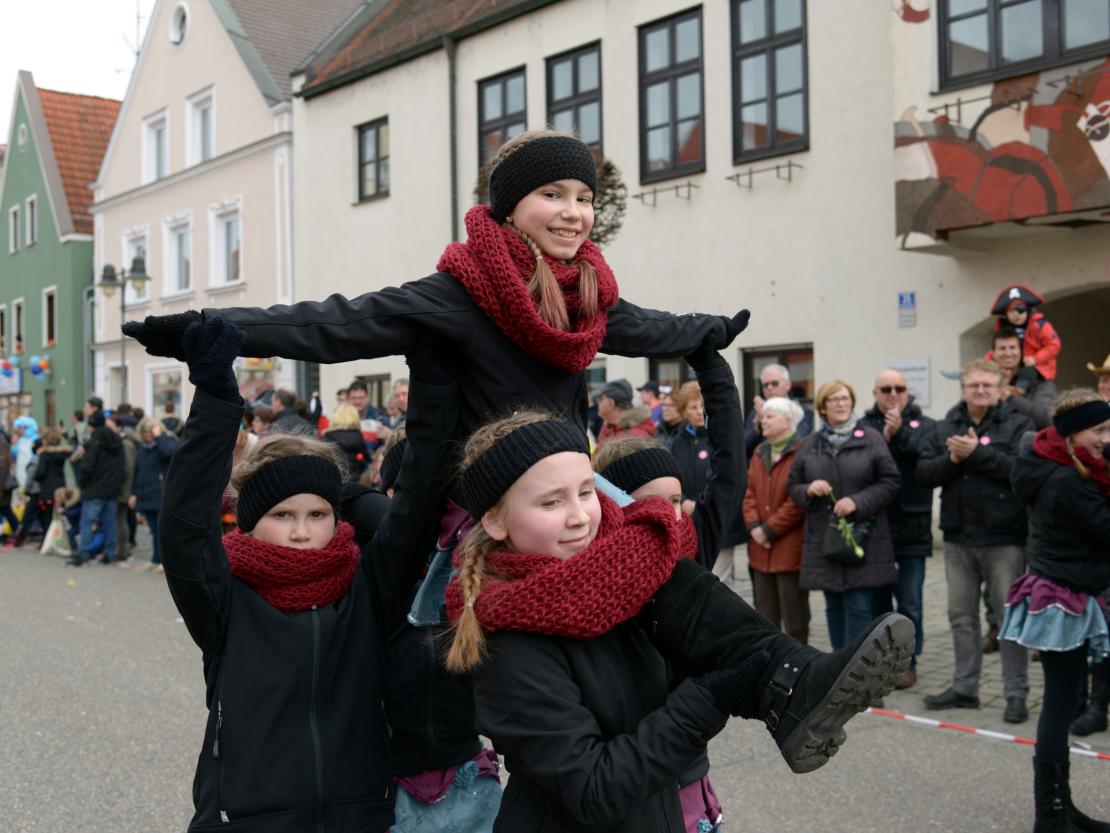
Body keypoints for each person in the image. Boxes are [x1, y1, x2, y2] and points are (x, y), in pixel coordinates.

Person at [123, 130, 750, 462]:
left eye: (583, 198)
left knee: (660, 541)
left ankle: (787, 673)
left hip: (565, 489)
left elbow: (652, 329)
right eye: (553, 195)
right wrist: (207, 325)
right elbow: (331, 325)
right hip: (476, 505)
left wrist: (710, 329)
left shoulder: (587, 297)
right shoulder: (456, 295)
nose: (574, 213)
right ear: (509, 209)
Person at [442, 408, 914, 831]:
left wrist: (734, 674)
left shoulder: (612, 586)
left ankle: (793, 684)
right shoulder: (507, 642)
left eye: (586, 492)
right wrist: (707, 699)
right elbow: (592, 791)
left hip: (660, 816)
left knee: (666, 566)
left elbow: (651, 694)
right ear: (496, 522)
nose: (580, 518)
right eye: (551, 502)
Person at [155, 313, 459, 833]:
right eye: (281, 516)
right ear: (249, 524)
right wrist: (215, 396)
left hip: (357, 814)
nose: (301, 532)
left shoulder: (366, 585)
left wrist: (431, 386)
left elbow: (413, 510)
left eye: (317, 515)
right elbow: (183, 525)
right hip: (247, 816)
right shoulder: (225, 597)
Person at [1001, 389, 1110, 832]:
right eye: (1099, 430)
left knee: (1064, 703)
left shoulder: (1063, 466)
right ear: (1071, 434)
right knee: (1060, 705)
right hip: (1063, 600)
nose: (1107, 438)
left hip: (1071, 591)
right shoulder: (1067, 480)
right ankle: (1051, 815)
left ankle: (1061, 807)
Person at [917, 358, 1033, 723]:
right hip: (957, 538)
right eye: (973, 385)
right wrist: (953, 458)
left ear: (1000, 388)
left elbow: (1021, 473)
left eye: (987, 385)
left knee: (1009, 619)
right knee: (960, 617)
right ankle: (965, 688)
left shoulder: (1019, 423)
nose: (980, 390)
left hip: (1004, 539)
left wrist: (978, 454)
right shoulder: (946, 424)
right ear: (963, 388)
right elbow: (924, 473)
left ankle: (1016, 694)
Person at [788, 380, 900, 652]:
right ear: (823, 407)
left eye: (845, 398)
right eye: (833, 399)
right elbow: (792, 486)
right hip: (826, 541)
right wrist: (808, 489)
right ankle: (839, 671)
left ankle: (859, 675)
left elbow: (890, 482)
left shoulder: (871, 438)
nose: (840, 404)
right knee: (833, 606)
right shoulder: (810, 444)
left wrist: (857, 502)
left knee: (860, 607)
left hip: (864, 538)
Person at [860, 369, 936, 688]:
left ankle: (908, 661)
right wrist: (884, 439)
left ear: (908, 392)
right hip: (875, 530)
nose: (893, 393)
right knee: (878, 603)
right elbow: (860, 468)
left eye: (899, 388)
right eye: (886, 388)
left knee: (910, 603)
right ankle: (880, 662)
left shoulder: (926, 425)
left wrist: (899, 434)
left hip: (912, 531)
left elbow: (927, 461)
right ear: (875, 393)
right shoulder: (863, 427)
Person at [743, 397, 808, 642]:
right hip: (760, 547)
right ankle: (770, 664)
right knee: (765, 615)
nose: (763, 421)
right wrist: (754, 526)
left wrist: (769, 529)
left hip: (789, 546)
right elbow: (748, 493)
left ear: (787, 420)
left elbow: (798, 500)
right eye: (763, 416)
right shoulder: (760, 451)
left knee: (795, 617)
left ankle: (800, 666)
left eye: (769, 416)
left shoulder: (802, 451)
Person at [71, 407, 124, 566]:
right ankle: (109, 553)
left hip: (95, 489)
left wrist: (84, 485)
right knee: (110, 522)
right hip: (113, 488)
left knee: (87, 521)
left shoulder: (94, 441)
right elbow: (122, 465)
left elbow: (87, 468)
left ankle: (84, 553)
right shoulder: (117, 440)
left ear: (92, 425)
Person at [4, 428, 71, 550]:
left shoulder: (43, 456)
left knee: (39, 517)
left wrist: (28, 488)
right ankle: (52, 540)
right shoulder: (61, 455)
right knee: (53, 516)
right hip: (59, 487)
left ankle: (42, 541)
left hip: (44, 490)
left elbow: (39, 473)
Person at [987, 284, 1061, 383]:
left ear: (1027, 311)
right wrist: (985, 364)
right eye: (1011, 311)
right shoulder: (1002, 327)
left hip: (1038, 371)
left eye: (1020, 310)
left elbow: (1054, 345)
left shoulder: (1039, 325)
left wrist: (1036, 359)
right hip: (1011, 372)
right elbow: (994, 351)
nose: (1016, 314)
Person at [129, 418, 177, 568]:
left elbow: (168, 454)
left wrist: (159, 437)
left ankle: (162, 560)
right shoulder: (142, 448)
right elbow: (137, 472)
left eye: (150, 432)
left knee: (161, 531)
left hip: (161, 493)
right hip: (146, 495)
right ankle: (156, 559)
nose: (147, 435)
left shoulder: (167, 441)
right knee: (154, 530)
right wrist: (133, 493)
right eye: (145, 432)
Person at [744, 364, 814, 458]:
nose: (769, 388)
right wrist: (757, 429)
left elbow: (796, 441)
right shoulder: (755, 413)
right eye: (765, 385)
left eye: (774, 383)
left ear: (788, 385)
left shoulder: (803, 411)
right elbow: (743, 449)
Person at [993, 328, 1056, 429]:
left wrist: (1010, 398)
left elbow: (1047, 418)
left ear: (1021, 351)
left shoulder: (1041, 380)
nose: (1008, 353)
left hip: (1028, 442)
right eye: (1002, 348)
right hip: (990, 441)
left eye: (1012, 348)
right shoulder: (984, 382)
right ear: (994, 354)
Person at [668, 379, 711, 517]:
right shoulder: (677, 443)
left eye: (703, 406)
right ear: (684, 412)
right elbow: (672, 476)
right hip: (686, 512)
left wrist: (704, 502)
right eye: (694, 407)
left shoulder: (717, 439)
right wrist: (683, 500)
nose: (700, 412)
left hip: (713, 511)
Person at [595, 378, 656, 449]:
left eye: (600, 399)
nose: (598, 403)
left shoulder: (633, 437)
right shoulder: (609, 426)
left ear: (610, 403)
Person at [322, 404, 370, 480]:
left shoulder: (327, 436)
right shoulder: (358, 437)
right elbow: (367, 459)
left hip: (332, 478)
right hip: (355, 478)